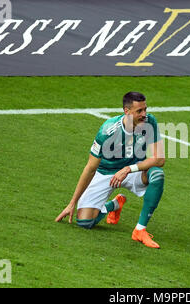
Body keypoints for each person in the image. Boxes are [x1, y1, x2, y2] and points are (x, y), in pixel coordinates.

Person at [55, 92, 165, 249]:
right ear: (126, 111)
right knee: (85, 222)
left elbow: (159, 159)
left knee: (157, 175)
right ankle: (114, 205)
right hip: (106, 172)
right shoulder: (107, 131)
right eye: (139, 111)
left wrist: (129, 168)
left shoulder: (150, 122)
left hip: (132, 170)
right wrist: (72, 203)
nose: (144, 115)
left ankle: (140, 230)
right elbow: (90, 168)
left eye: (145, 109)